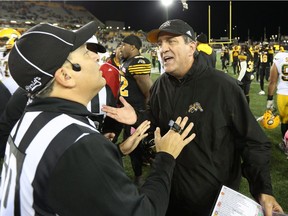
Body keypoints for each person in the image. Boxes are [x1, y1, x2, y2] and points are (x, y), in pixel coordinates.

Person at [0, 21, 196, 215]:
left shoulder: (29, 120)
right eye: (86, 53)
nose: (96, 57)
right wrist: (165, 157)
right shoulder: (79, 143)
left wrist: (116, 151)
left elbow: (66, 175)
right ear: (66, 76)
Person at [102, 19, 284, 216]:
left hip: (212, 202)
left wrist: (263, 189)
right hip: (170, 196)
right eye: (160, 44)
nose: (163, 49)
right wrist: (136, 117)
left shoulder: (223, 87)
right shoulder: (161, 85)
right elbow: (156, 120)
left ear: (191, 47)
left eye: (171, 41)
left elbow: (253, 143)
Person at [119, 34, 153, 186]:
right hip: (128, 110)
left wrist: (145, 113)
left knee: (135, 144)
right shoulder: (126, 61)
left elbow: (149, 93)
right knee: (134, 143)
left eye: (124, 45)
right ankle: (144, 162)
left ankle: (139, 175)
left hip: (137, 112)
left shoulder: (138, 62)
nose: (121, 48)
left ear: (132, 47)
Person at [266, 51, 288, 155]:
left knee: (285, 121)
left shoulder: (279, 57)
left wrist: (270, 99)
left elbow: (272, 81)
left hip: (283, 94)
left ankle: (286, 146)